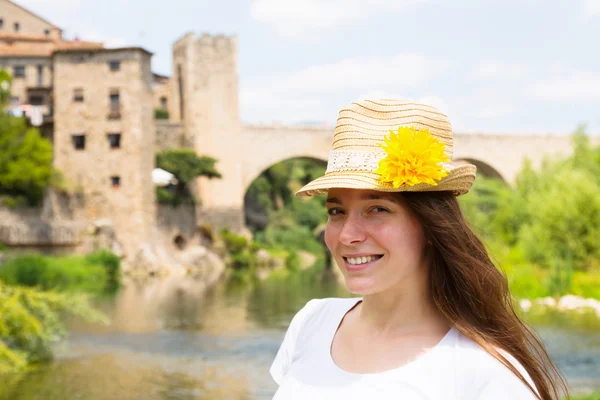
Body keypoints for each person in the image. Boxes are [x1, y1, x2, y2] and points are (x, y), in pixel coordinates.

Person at [269, 99, 568, 400]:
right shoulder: (312, 322)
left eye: (377, 209)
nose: (347, 235)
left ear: (430, 224)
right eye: (336, 212)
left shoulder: (484, 372)